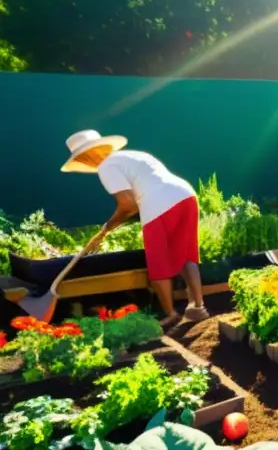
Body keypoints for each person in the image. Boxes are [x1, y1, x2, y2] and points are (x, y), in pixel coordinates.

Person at [61, 130, 206, 327]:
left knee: (158, 262)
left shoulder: (106, 167)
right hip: (186, 196)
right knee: (185, 255)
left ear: (89, 155)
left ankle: (171, 314)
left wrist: (106, 229)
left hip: (158, 205)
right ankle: (198, 307)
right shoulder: (134, 155)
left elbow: (128, 205)